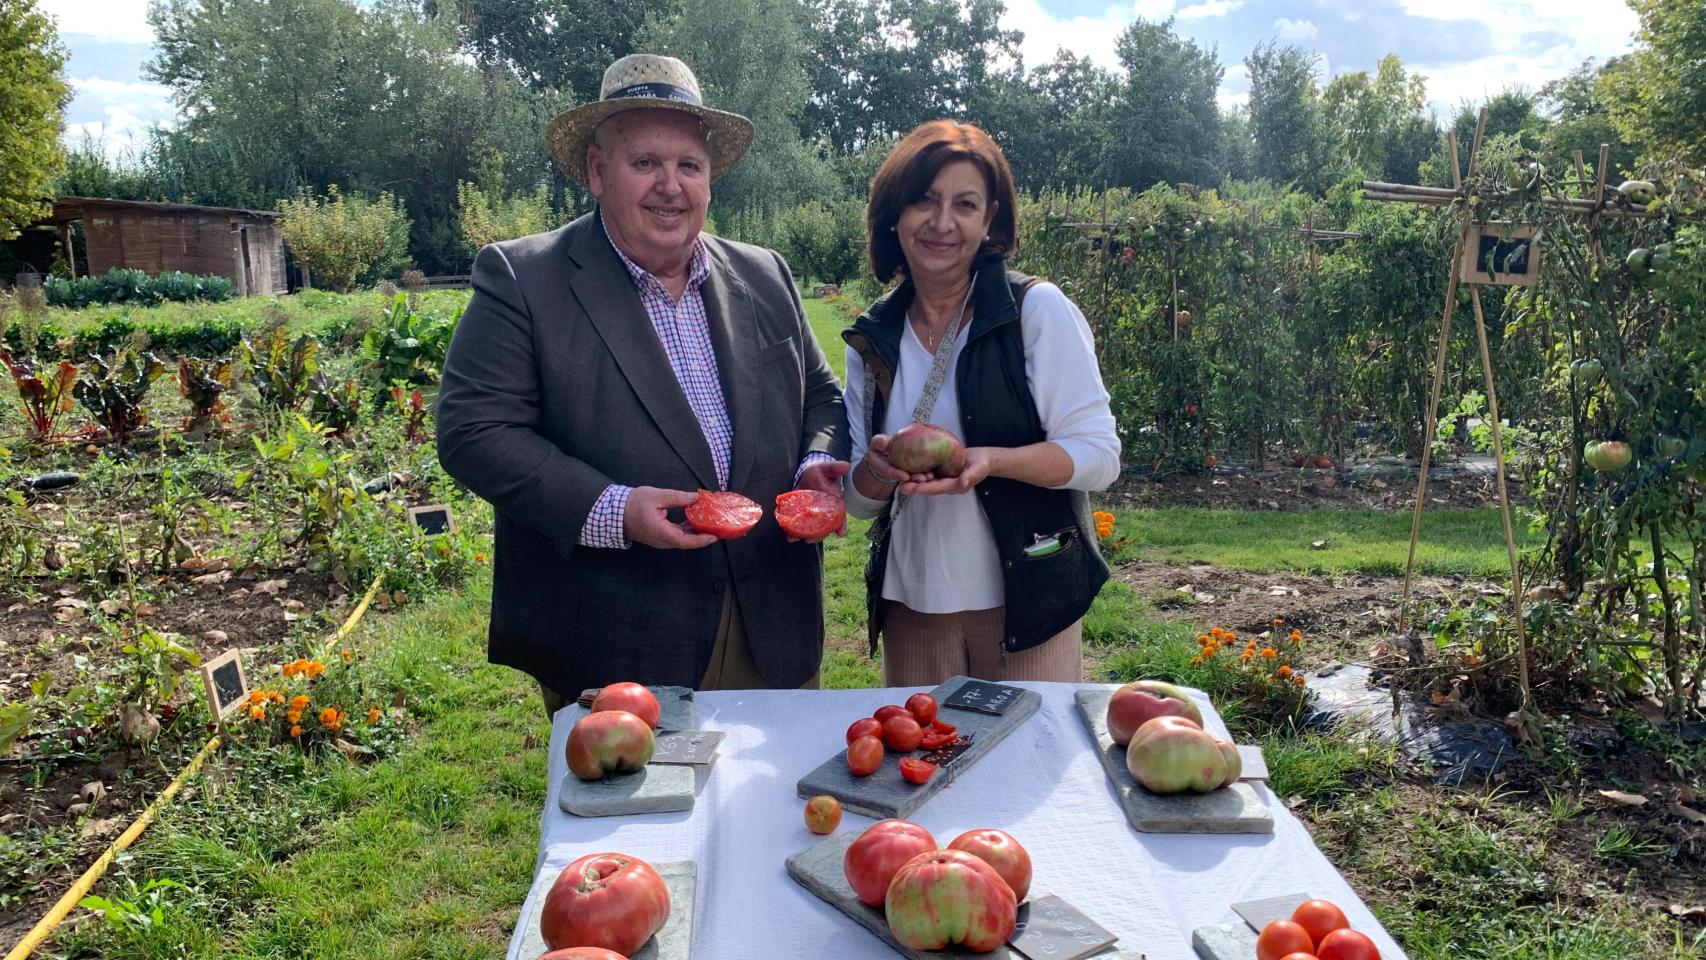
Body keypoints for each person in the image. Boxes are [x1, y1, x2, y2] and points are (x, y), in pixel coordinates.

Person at [436, 54, 849, 717]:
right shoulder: (524, 279)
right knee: (639, 820)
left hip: (772, 613)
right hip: (618, 629)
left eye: (689, 165)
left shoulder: (765, 274)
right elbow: (473, 433)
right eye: (645, 163)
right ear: (598, 171)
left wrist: (817, 464)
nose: (671, 186)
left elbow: (822, 398)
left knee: (769, 815)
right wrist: (616, 509)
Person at [841, 120, 1120, 686]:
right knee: (921, 766)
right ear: (895, 214)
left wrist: (993, 460)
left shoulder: (1033, 312)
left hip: (1026, 598)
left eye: (965, 204)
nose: (943, 222)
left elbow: (1099, 455)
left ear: (989, 220)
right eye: (924, 200)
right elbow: (859, 503)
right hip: (913, 603)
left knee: (1026, 767)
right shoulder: (875, 338)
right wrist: (875, 469)